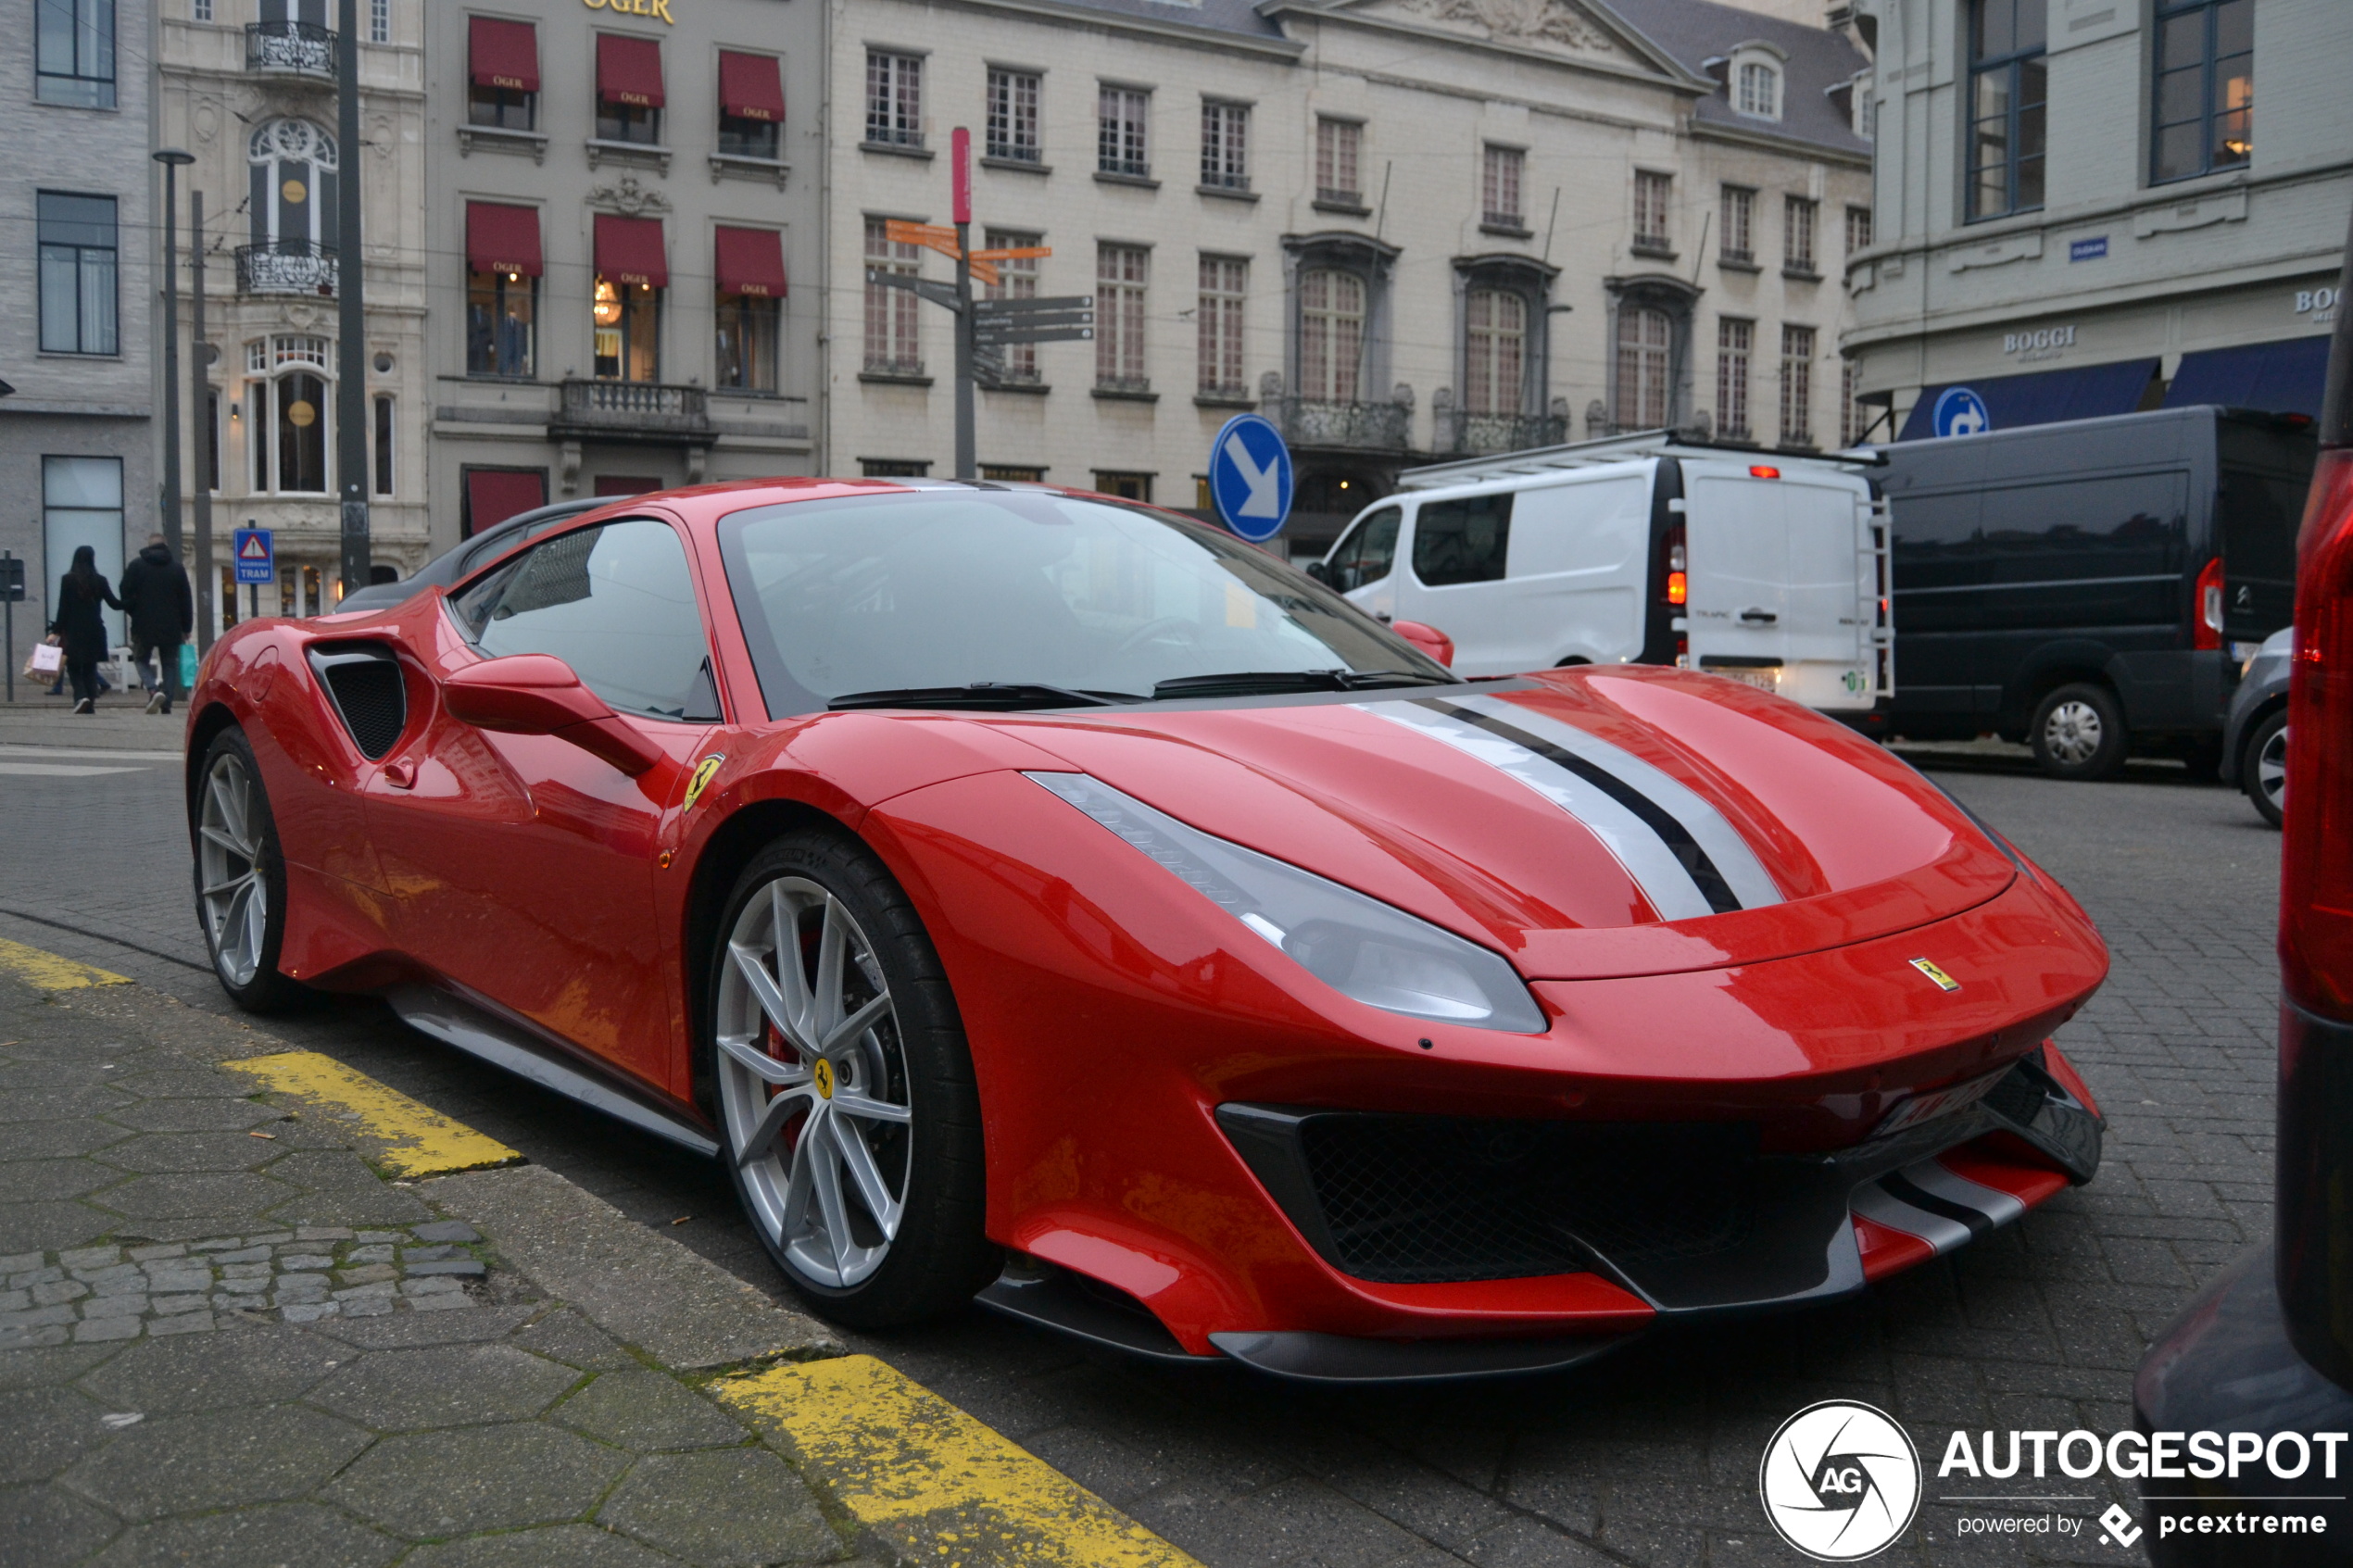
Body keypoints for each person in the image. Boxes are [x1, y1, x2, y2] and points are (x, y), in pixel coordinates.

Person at [119, 533, 195, 715]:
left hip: (143, 624)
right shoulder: (177, 568)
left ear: (149, 545)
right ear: (165, 545)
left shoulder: (136, 566)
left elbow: (124, 590)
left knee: (140, 659)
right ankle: (166, 701)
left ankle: (153, 689)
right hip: (172, 625)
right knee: (169, 663)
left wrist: (133, 610)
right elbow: (186, 599)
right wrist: (186, 627)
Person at [49, 545, 122, 716]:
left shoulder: (68, 580)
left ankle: (81, 697)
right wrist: (134, 602)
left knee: (73, 667)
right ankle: (90, 705)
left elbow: (63, 608)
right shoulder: (100, 580)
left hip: (74, 630)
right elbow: (114, 603)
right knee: (90, 668)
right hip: (95, 630)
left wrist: (56, 631)